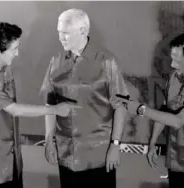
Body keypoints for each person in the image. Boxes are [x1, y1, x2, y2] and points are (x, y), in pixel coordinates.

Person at [0, 22, 81, 188]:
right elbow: (13, 109)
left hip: (10, 155)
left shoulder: (5, 65)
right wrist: (55, 109)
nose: (17, 54)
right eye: (14, 49)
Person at [116, 32, 184, 188]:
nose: (171, 65)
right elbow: (166, 111)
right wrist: (152, 143)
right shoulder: (174, 77)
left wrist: (140, 109)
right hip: (176, 160)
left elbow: (177, 120)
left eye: (176, 60)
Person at [39, 9, 129, 188]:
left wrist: (115, 146)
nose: (60, 37)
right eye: (58, 32)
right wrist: (49, 140)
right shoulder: (56, 61)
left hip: (98, 156)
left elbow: (121, 106)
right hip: (66, 155)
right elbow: (50, 104)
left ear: (82, 31)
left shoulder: (107, 61)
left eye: (65, 33)